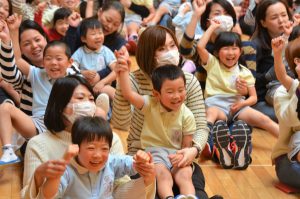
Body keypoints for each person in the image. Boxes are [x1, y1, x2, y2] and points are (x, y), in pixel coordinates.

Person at [112, 25, 211, 198]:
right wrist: (122, 77)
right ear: (149, 53)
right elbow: (121, 122)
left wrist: (192, 151)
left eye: (172, 46)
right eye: (161, 48)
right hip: (144, 156)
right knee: (155, 191)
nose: (170, 52)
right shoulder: (133, 81)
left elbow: (201, 127)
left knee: (194, 187)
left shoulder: (188, 81)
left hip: (178, 155)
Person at [22, 75, 155, 199]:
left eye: (91, 99)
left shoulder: (110, 139)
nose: (87, 104)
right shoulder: (38, 145)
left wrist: (146, 179)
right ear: (60, 106)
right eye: (80, 98)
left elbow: (118, 189)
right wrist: (39, 176)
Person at [197, 18, 279, 168]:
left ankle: (287, 142)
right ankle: (206, 144)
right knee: (212, 115)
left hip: (237, 105)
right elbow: (200, 46)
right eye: (226, 48)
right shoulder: (212, 63)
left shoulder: (245, 72)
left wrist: (243, 103)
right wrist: (213, 27)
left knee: (263, 119)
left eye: (234, 48)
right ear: (216, 52)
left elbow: (253, 98)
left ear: (240, 51)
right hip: (216, 105)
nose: (230, 52)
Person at [0, 14, 77, 165]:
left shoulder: (72, 73)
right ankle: (8, 150)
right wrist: (9, 37)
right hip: (38, 124)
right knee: (5, 107)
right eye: (27, 43)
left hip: (65, 122)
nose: (34, 46)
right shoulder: (34, 73)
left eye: (37, 40)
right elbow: (16, 61)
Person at [116, 63, 197, 198]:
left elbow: (186, 146)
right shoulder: (150, 104)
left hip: (177, 154)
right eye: (170, 92)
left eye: (181, 90)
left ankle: (190, 197)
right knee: (162, 175)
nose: (177, 96)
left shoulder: (187, 115)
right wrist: (124, 72)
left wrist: (182, 158)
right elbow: (129, 94)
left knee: (185, 175)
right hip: (154, 153)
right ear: (156, 94)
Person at [38, 116, 154, 198]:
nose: (98, 155)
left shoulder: (111, 162)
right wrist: (57, 174)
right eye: (91, 148)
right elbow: (48, 195)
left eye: (104, 149)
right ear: (76, 147)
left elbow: (131, 164)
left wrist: (141, 159)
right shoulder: (68, 170)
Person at [251, 0, 293, 121]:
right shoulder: (253, 46)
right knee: (292, 116)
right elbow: (249, 80)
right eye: (274, 17)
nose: (281, 20)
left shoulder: (294, 38)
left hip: (291, 92)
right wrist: (268, 76)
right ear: (263, 22)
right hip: (263, 99)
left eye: (284, 15)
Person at [271, 34, 300, 188]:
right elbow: (282, 76)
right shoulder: (287, 90)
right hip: (287, 159)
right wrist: (277, 54)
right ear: (297, 63)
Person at [72, 17, 117, 99]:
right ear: (83, 39)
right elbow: (70, 68)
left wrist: (102, 82)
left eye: (100, 33)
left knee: (112, 92)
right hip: (83, 87)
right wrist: (82, 72)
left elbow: (116, 71)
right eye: (93, 34)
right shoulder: (80, 52)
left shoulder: (106, 51)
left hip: (102, 86)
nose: (98, 37)